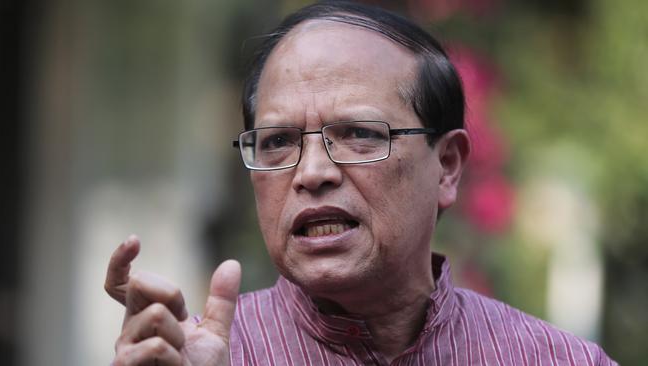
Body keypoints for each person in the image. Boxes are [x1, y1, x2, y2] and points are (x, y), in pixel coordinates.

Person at [104, 1, 617, 365]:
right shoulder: (200, 356)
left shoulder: (556, 359)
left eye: (358, 134)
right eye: (278, 141)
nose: (311, 173)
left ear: (448, 165)